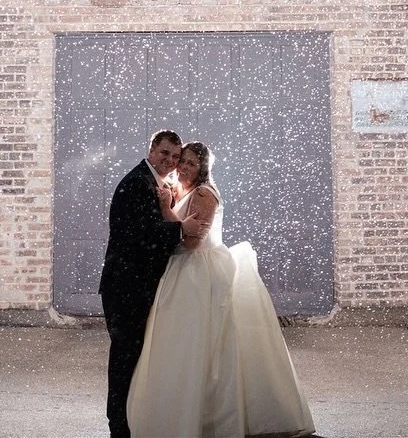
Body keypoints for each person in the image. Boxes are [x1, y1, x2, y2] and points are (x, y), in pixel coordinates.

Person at [127, 141, 314, 438]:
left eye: (190, 163)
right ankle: (182, 411)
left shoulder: (204, 194)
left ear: (203, 168)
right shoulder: (183, 189)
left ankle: (210, 418)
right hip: (181, 271)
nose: (183, 167)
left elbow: (191, 242)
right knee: (181, 344)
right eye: (182, 161)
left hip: (198, 272)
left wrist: (165, 208)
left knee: (204, 343)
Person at [99, 129, 194, 438]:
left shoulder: (156, 182)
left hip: (137, 285)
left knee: (135, 356)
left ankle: (132, 420)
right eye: (165, 153)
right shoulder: (136, 183)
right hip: (126, 287)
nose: (170, 160)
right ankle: (119, 427)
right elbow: (141, 236)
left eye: (176, 157)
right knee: (125, 357)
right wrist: (183, 230)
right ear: (152, 149)